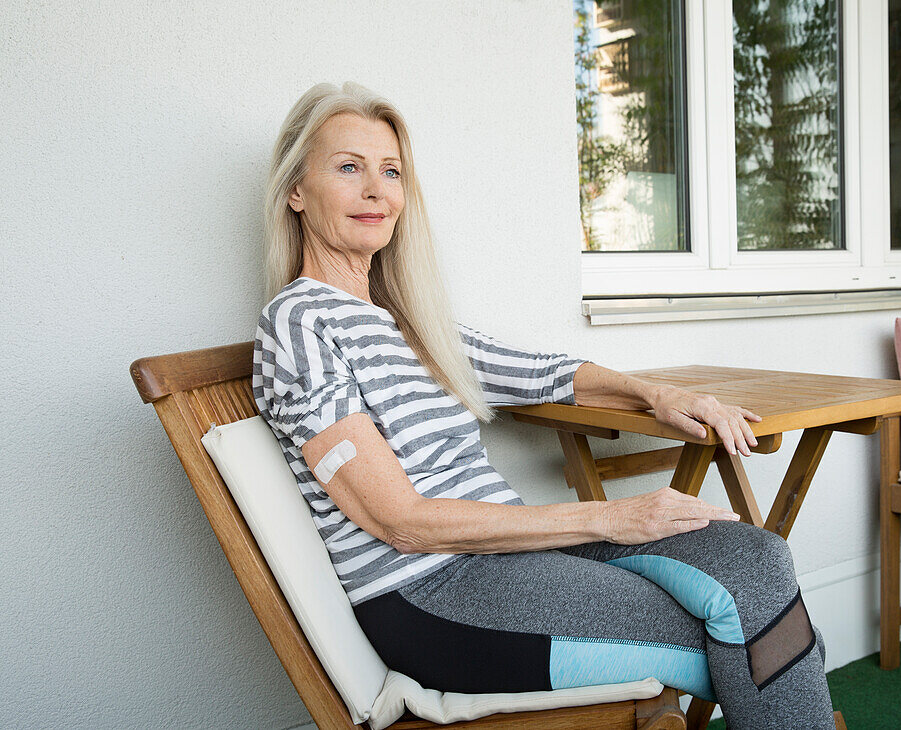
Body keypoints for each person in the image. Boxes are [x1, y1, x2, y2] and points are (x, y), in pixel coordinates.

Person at [253, 81, 836, 729]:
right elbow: (400, 522)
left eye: (391, 171)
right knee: (761, 634)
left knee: (757, 562)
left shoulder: (404, 322)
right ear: (295, 191)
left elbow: (542, 374)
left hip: (509, 561)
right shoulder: (300, 323)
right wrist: (610, 517)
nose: (376, 191)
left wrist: (658, 394)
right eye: (348, 168)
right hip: (435, 596)